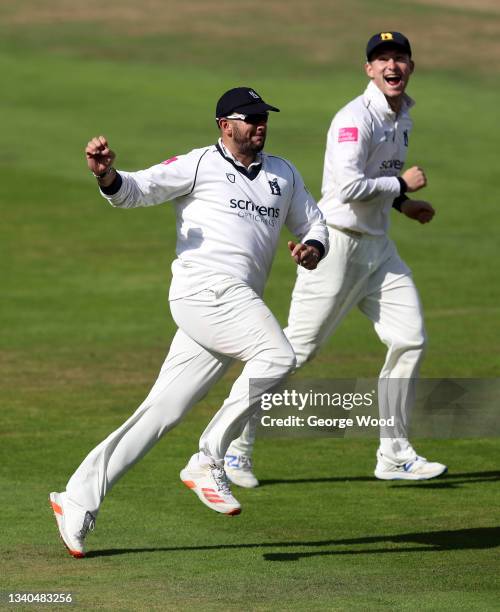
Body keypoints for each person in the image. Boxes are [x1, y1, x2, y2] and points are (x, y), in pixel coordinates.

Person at [49, 87, 328, 557]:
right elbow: (137, 190)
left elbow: (314, 223)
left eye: (264, 118)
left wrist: (312, 249)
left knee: (162, 411)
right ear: (224, 125)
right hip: (204, 290)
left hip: (231, 306)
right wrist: (107, 176)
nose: (260, 124)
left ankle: (77, 498)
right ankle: (208, 457)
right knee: (278, 354)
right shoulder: (200, 164)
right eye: (250, 117)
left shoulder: (283, 174)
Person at [225, 33, 447, 487]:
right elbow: (346, 187)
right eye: (382, 59)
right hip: (338, 247)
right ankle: (231, 449)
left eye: (399, 58)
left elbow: (375, 180)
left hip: (379, 249)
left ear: (411, 65)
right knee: (291, 353)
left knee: (411, 339)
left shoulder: (401, 116)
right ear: (368, 69)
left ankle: (394, 453)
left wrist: (402, 206)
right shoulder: (354, 119)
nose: (392, 65)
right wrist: (402, 187)